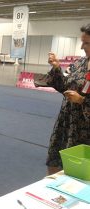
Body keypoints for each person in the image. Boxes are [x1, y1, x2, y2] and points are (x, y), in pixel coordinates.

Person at [45, 23, 90, 175]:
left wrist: (82, 101)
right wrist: (57, 67)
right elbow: (63, 85)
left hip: (84, 130)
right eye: (82, 42)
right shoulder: (79, 63)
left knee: (78, 173)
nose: (82, 47)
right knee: (54, 161)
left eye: (87, 43)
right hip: (66, 123)